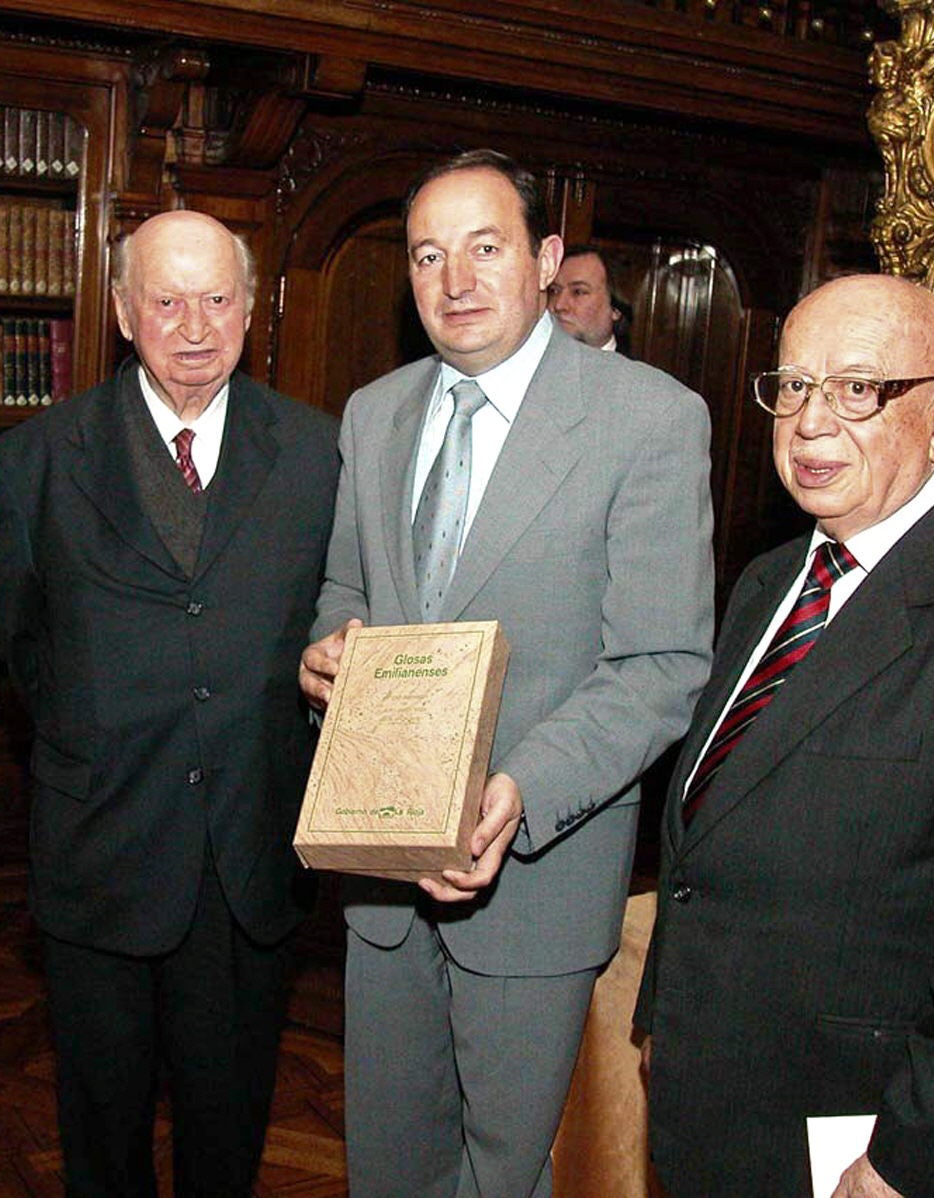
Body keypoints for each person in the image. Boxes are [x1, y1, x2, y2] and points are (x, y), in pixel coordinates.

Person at [635, 274, 934, 1198]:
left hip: (869, 1149)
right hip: (717, 1107)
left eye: (858, 389)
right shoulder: (769, 581)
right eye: (793, 386)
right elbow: (704, 841)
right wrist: (668, 1018)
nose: (811, 423)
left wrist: (914, 1163)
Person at [299, 149, 714, 1197]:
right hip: (384, 877)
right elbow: (346, 592)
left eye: (486, 248)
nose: (456, 281)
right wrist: (330, 652)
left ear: (545, 258)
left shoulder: (649, 418)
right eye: (428, 255)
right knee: (389, 1167)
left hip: (535, 872)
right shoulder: (374, 414)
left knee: (505, 1175)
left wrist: (518, 789)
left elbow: (661, 662)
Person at [0, 209, 339, 1197]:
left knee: (229, 1130)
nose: (195, 325)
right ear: (122, 312)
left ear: (251, 305)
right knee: (103, 1131)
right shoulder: (34, 461)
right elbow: (18, 641)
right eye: (168, 300)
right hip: (101, 850)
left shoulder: (319, 456)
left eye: (218, 298)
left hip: (249, 858)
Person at [547, 244, 626, 353]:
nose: (559, 305)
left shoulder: (634, 370)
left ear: (615, 309)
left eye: (578, 292)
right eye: (554, 291)